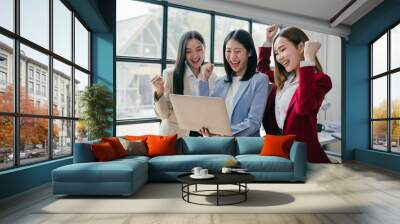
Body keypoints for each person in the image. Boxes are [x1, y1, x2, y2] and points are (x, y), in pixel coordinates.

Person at [257, 25, 332, 163]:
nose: (279, 57)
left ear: (300, 47)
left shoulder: (320, 80)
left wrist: (309, 59)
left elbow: (304, 107)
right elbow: (262, 71)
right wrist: (268, 41)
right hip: (279, 148)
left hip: (304, 156)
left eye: (283, 49)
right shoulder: (283, 79)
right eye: (276, 53)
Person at [199, 29, 269, 137]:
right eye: (228, 51)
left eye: (237, 51)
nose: (232, 56)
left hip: (243, 148)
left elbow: (253, 122)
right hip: (216, 144)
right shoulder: (220, 81)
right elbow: (206, 112)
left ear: (249, 52)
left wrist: (223, 134)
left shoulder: (260, 80)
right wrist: (204, 80)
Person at [151, 31, 217, 137]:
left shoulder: (212, 76)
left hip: (203, 136)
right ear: (183, 54)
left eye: (199, 49)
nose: (195, 55)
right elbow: (164, 115)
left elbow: (211, 110)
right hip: (175, 136)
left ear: (204, 49)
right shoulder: (170, 74)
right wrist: (159, 92)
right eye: (188, 51)